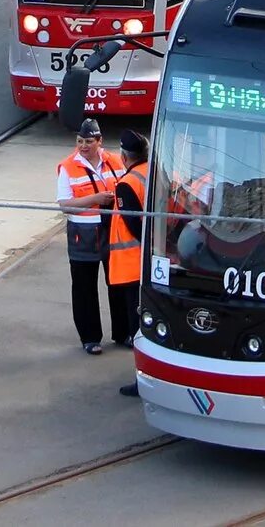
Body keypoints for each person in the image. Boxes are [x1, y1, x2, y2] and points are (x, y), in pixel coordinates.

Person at [55, 118, 124, 354]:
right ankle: (90, 338)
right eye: (80, 141)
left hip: (113, 232)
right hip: (82, 235)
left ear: (99, 141)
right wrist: (95, 200)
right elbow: (65, 205)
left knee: (118, 283)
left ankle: (123, 332)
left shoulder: (115, 161)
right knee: (84, 288)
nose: (83, 146)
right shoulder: (68, 167)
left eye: (88, 141)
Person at [110, 129, 150, 396]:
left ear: (125, 156)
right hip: (149, 263)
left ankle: (142, 381)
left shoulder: (127, 183)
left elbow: (134, 224)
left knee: (138, 329)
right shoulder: (154, 172)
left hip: (131, 265)